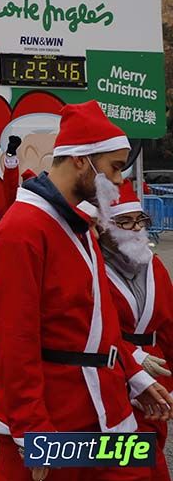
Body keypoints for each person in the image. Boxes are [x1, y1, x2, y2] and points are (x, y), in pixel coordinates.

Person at [0, 101, 173, 480]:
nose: (119, 180)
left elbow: (97, 323)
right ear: (82, 161)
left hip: (104, 407)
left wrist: (135, 376)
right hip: (57, 418)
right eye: (114, 167)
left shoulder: (79, 223)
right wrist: (33, 431)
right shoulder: (22, 232)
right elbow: (13, 342)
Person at [99, 181, 173, 481]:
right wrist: (133, 357)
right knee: (132, 464)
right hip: (113, 371)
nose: (136, 228)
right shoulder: (93, 268)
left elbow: (168, 325)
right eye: (125, 222)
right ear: (105, 227)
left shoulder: (153, 265)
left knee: (152, 446)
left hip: (156, 371)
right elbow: (91, 328)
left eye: (140, 220)